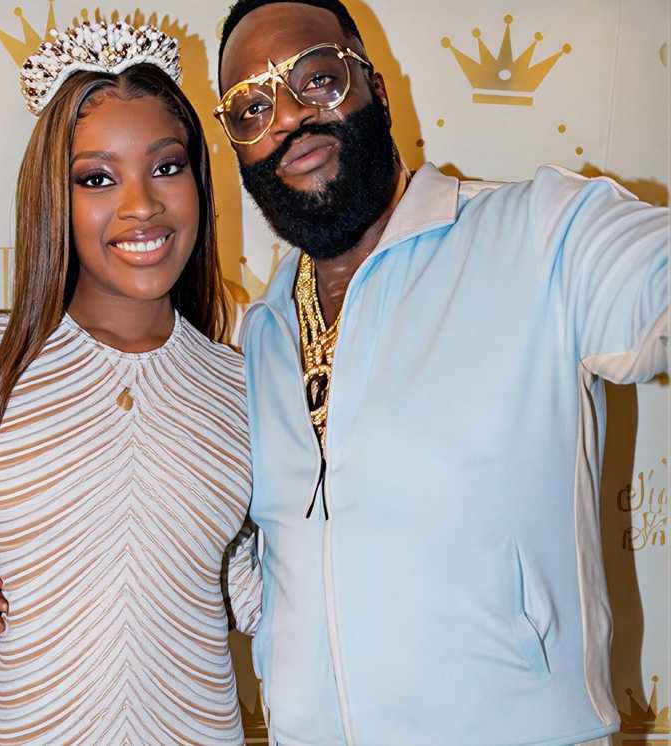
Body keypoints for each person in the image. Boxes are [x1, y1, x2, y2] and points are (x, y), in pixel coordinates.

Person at [213, 1, 669, 744]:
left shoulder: (539, 235)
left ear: (377, 90)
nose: (290, 116)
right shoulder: (254, 336)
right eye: (252, 107)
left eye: (318, 79)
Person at [0, 21, 261, 745]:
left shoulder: (240, 383)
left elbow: (250, 591)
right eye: (97, 178)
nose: (140, 205)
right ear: (53, 198)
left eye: (167, 167)